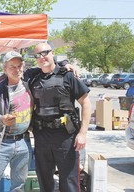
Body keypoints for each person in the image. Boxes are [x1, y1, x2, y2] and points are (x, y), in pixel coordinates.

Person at [29, 42, 91, 192]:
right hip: (42, 136)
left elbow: (86, 104)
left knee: (69, 181)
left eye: (45, 53)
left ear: (52, 53)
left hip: (66, 137)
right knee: (44, 180)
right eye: (38, 55)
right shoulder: (32, 78)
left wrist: (82, 134)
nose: (42, 57)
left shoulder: (68, 76)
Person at [0, 51, 33, 192]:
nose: (17, 70)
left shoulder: (29, 86)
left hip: (23, 143)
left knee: (19, 184)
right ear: (5, 69)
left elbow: (47, 67)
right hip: (2, 143)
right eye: (12, 67)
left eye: (19, 66)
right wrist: (2, 120)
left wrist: (67, 65)